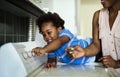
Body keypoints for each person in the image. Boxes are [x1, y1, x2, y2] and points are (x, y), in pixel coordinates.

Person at [66, 0, 120, 70]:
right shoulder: (98, 15)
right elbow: (96, 45)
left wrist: (117, 63)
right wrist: (84, 51)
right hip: (107, 72)